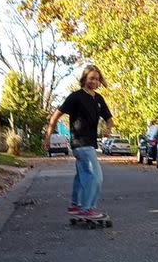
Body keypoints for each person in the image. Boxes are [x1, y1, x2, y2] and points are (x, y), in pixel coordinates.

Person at [45, 65, 113, 220]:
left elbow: (109, 119)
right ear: (84, 79)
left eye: (97, 79)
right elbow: (55, 116)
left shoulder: (98, 99)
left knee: (82, 175)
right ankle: (87, 208)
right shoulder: (75, 97)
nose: (94, 81)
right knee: (96, 176)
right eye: (91, 78)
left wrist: (108, 128)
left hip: (89, 143)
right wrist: (48, 136)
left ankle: (75, 205)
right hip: (81, 143)